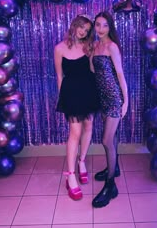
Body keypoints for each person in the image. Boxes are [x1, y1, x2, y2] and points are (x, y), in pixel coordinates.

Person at [54, 15, 99, 201]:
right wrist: (63, 99)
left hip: (89, 90)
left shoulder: (89, 46)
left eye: (87, 30)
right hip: (71, 93)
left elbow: (94, 70)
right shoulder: (59, 48)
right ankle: (70, 175)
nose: (83, 32)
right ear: (74, 25)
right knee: (75, 132)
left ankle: (82, 162)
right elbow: (59, 76)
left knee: (89, 126)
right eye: (81, 27)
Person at [91, 11, 128, 208]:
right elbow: (92, 71)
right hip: (102, 98)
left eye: (105, 25)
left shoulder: (112, 47)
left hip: (114, 97)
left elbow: (120, 75)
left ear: (110, 27)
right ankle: (114, 168)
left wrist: (126, 101)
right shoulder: (96, 46)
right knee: (111, 139)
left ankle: (110, 186)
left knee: (106, 140)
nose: (101, 29)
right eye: (98, 25)